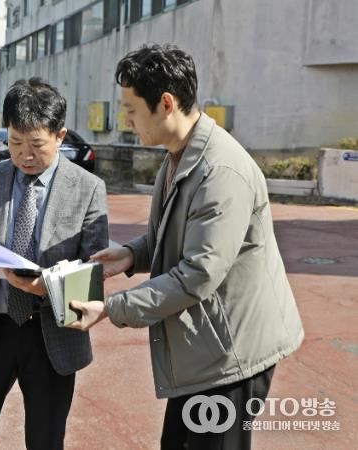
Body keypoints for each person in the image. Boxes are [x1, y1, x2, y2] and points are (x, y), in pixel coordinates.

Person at [68, 43, 304, 450]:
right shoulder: (179, 154)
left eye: (131, 110)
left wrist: (110, 308)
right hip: (204, 349)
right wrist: (133, 254)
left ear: (165, 104)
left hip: (231, 356)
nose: (126, 121)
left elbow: (198, 274)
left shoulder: (220, 172)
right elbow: (178, 236)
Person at [0, 78, 109, 450]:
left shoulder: (87, 188)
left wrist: (45, 286)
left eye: (36, 145)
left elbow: (94, 270)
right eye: (15, 143)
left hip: (52, 333)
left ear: (60, 136)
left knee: (46, 440)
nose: (24, 155)